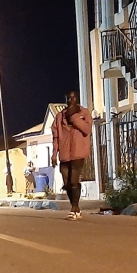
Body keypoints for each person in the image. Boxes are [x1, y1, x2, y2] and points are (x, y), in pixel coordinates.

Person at [51, 90, 92, 221]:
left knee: (74, 181)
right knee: (67, 183)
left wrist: (74, 118)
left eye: (73, 98)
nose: (70, 100)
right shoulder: (59, 116)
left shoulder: (84, 113)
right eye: (68, 98)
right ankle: (76, 207)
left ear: (77, 99)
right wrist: (53, 154)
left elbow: (87, 130)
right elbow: (56, 137)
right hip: (64, 154)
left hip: (78, 153)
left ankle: (74, 208)